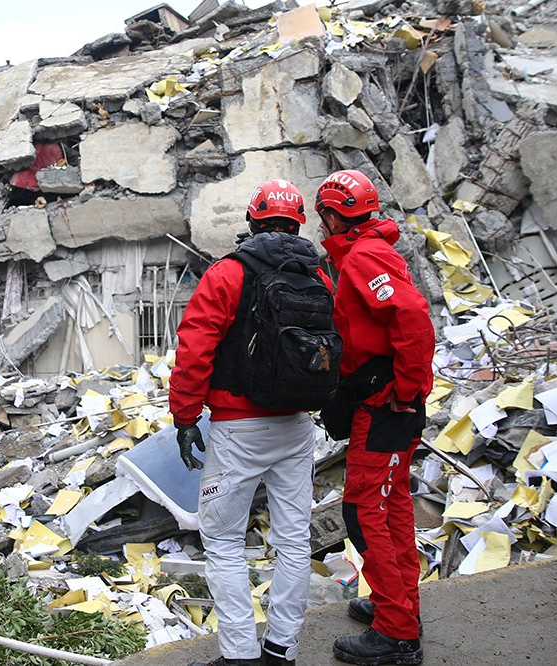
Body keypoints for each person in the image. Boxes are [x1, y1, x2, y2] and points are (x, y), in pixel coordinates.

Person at [170, 179, 335, 666]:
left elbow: (194, 348)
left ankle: (240, 655)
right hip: (297, 426)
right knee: (293, 541)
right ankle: (281, 650)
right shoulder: (319, 276)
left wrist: (185, 415)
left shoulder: (228, 274)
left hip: (238, 428)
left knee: (222, 541)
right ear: (299, 222)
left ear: (252, 222)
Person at [313, 170, 435, 666]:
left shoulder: (364, 256)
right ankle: (399, 606)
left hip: (387, 405)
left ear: (333, 213)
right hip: (388, 402)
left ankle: (398, 634)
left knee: (364, 513)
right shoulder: (366, 251)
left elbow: (412, 318)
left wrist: (407, 391)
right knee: (392, 507)